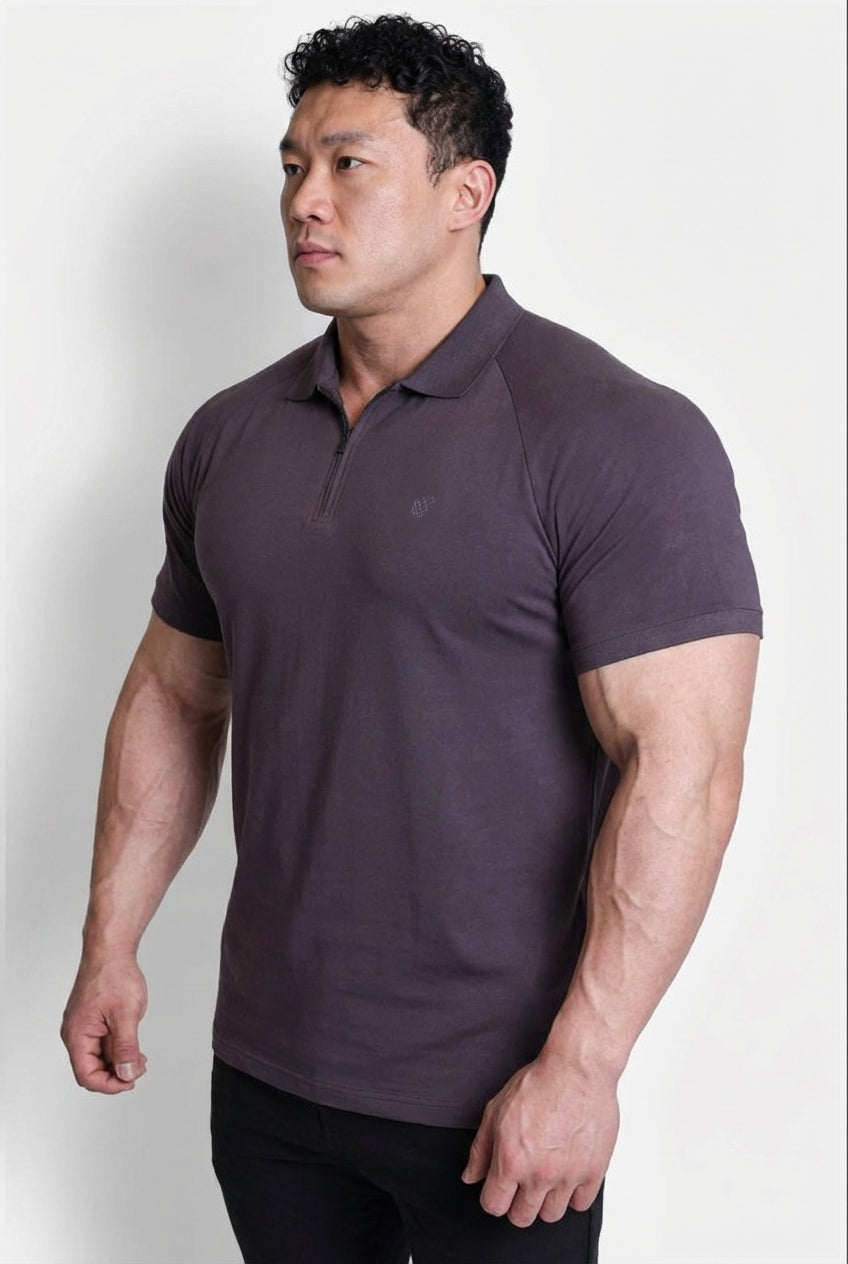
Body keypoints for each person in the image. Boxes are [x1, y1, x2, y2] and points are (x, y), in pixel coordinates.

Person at [61, 14, 761, 1263]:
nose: (303, 200)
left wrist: (582, 1066)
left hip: (498, 1102)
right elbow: (174, 693)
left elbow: (683, 768)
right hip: (266, 1080)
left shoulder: (612, 434)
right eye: (292, 165)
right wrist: (110, 941)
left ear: (463, 195)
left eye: (348, 164)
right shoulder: (229, 436)